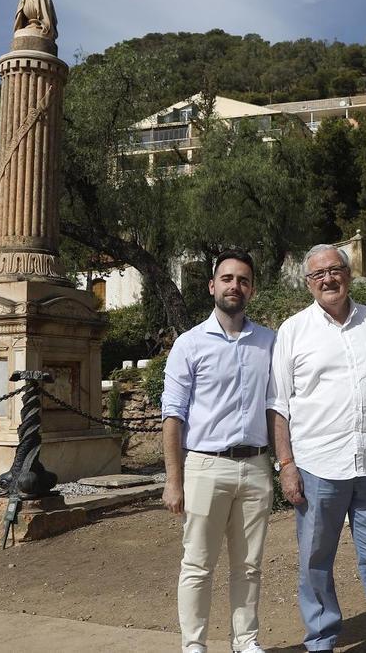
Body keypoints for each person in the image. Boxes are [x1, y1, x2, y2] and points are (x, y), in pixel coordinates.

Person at [267, 244, 366, 653]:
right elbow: (278, 405)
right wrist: (286, 464)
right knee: (315, 560)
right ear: (307, 283)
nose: (327, 280)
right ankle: (320, 640)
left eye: (335, 270)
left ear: (349, 274)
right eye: (317, 275)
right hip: (317, 467)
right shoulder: (293, 330)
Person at [161, 250, 276, 653]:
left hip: (257, 466)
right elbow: (172, 417)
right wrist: (173, 481)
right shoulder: (189, 344)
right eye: (227, 279)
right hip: (206, 466)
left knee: (249, 565)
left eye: (243, 280)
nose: (234, 286)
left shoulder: (268, 342)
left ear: (252, 289)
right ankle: (194, 645)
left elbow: (278, 406)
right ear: (212, 286)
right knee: (197, 565)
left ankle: (245, 642)